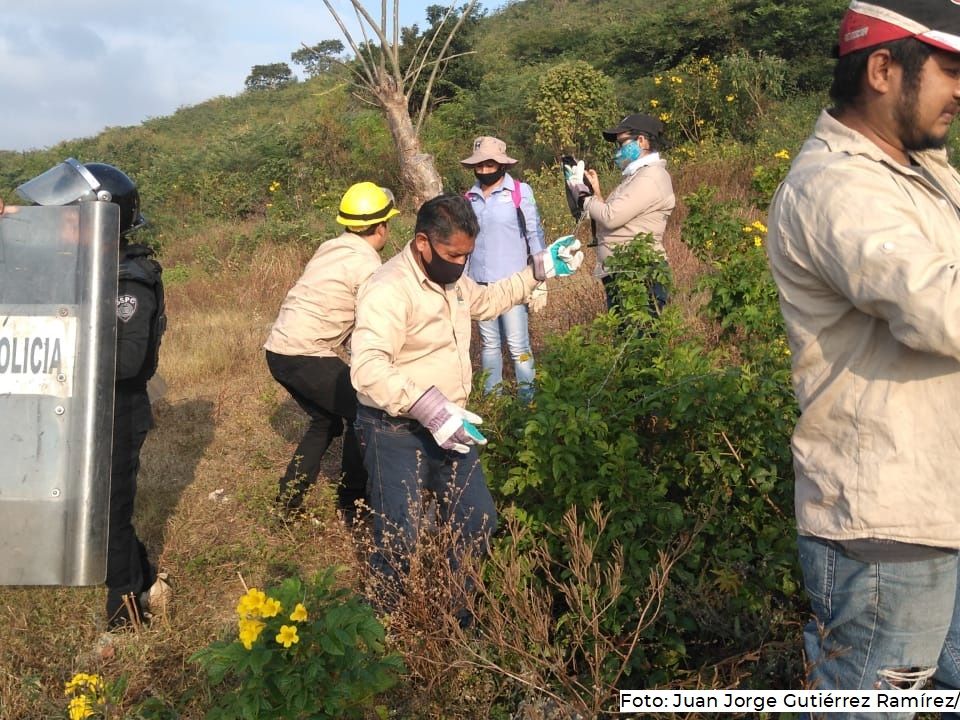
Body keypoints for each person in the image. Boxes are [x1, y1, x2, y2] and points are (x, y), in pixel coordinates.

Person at [766, 0, 960, 701]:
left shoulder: (923, 171)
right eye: (948, 69)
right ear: (882, 68)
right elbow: (942, 307)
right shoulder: (837, 186)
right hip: (886, 525)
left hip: (938, 502)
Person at [350, 194, 582, 614]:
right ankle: (381, 628)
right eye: (452, 254)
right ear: (423, 242)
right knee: (399, 534)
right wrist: (425, 405)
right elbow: (367, 367)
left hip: (452, 426)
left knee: (477, 520)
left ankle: (460, 615)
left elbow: (489, 300)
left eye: (466, 255)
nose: (460, 264)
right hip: (394, 429)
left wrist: (538, 270)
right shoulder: (387, 289)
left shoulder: (454, 280)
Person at [264, 182, 399, 520]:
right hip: (306, 354)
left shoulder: (330, 247)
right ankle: (353, 501)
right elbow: (367, 326)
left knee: (326, 422)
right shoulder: (369, 266)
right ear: (382, 227)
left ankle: (288, 501)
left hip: (278, 351)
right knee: (361, 411)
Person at [93, 163, 168, 629]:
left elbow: (127, 363)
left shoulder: (128, 280)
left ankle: (126, 615)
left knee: (106, 514)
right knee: (98, 508)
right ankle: (142, 577)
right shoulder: (85, 269)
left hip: (117, 412)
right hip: (84, 411)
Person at [461, 136, 547, 402]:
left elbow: (534, 235)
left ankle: (527, 402)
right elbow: (464, 243)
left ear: (502, 165)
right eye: (480, 166)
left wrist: (541, 279)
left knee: (518, 344)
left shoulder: (520, 193)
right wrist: (461, 282)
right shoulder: (469, 198)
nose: (485, 171)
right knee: (489, 346)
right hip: (480, 284)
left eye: (490, 165)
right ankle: (494, 403)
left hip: (514, 283)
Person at [566, 113, 676, 313]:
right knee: (628, 335)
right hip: (626, 270)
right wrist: (595, 191)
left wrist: (582, 196)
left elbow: (611, 217)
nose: (618, 151)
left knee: (640, 337)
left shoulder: (650, 177)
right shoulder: (637, 176)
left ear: (641, 141)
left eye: (622, 143)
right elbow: (613, 214)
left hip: (639, 272)